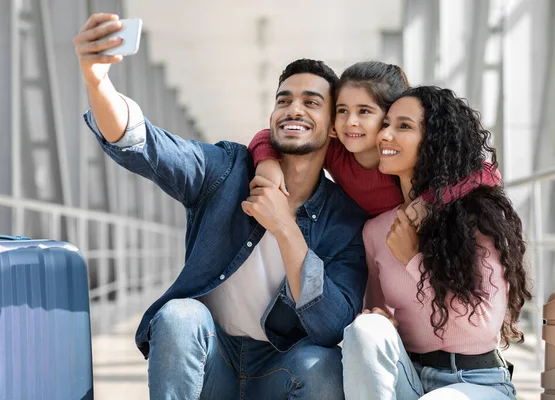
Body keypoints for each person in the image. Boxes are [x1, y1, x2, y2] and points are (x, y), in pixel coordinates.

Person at [73, 13, 368, 399]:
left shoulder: (345, 220)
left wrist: (285, 228)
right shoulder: (227, 170)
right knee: (179, 317)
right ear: (272, 116)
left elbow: (330, 327)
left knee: (323, 365)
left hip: (279, 368)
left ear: (332, 126)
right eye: (285, 100)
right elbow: (146, 145)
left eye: (311, 102)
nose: (294, 109)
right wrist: (97, 82)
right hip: (212, 355)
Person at [341, 86, 531, 400]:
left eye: (403, 126)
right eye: (385, 125)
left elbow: (483, 327)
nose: (386, 135)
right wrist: (376, 316)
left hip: (476, 381)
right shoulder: (376, 231)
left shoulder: (476, 219)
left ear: (434, 140)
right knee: (365, 329)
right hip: (408, 377)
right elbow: (376, 314)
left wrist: (414, 260)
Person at [248, 61, 501, 219]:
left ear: (389, 116)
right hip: (364, 239)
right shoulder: (336, 150)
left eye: (364, 111)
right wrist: (267, 163)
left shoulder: (400, 158)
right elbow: (268, 134)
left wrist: (429, 202)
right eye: (342, 111)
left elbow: (489, 174)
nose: (351, 122)